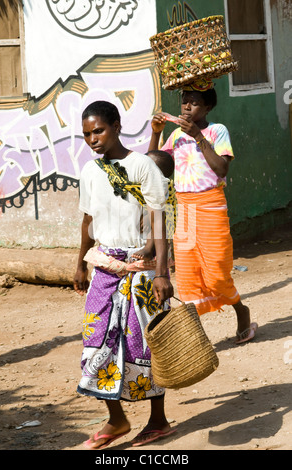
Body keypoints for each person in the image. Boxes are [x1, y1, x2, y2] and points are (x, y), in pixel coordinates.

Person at [73, 100, 175, 450]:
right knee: (95, 343)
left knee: (146, 345)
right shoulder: (89, 171)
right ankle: (117, 419)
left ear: (117, 125)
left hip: (142, 270)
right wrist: (78, 265)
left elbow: (160, 221)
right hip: (105, 267)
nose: (93, 139)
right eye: (87, 134)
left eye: (98, 130)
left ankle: (158, 420)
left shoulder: (142, 165)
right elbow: (88, 220)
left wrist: (161, 273)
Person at [148, 79, 258, 345]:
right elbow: (154, 165)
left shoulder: (217, 131)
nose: (187, 106)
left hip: (211, 207)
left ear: (207, 106)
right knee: (187, 277)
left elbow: (222, 169)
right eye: (184, 100)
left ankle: (241, 311)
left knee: (218, 273)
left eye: (194, 101)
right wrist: (155, 131)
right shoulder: (175, 136)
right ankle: (196, 340)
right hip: (184, 209)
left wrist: (197, 135)